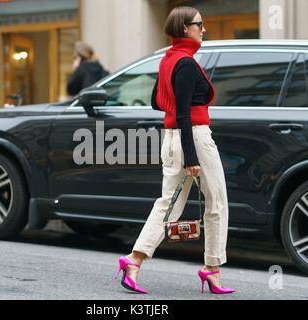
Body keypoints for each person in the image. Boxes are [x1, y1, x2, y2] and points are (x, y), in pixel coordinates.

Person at [115, 6, 236, 295]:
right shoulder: (186, 64)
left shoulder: (168, 59)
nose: (203, 29)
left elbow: (157, 102)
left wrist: (180, 110)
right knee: (217, 203)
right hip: (192, 138)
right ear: (184, 28)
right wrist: (192, 157)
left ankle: (133, 260)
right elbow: (182, 112)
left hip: (172, 139)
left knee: (168, 204)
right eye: (199, 24)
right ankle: (212, 269)